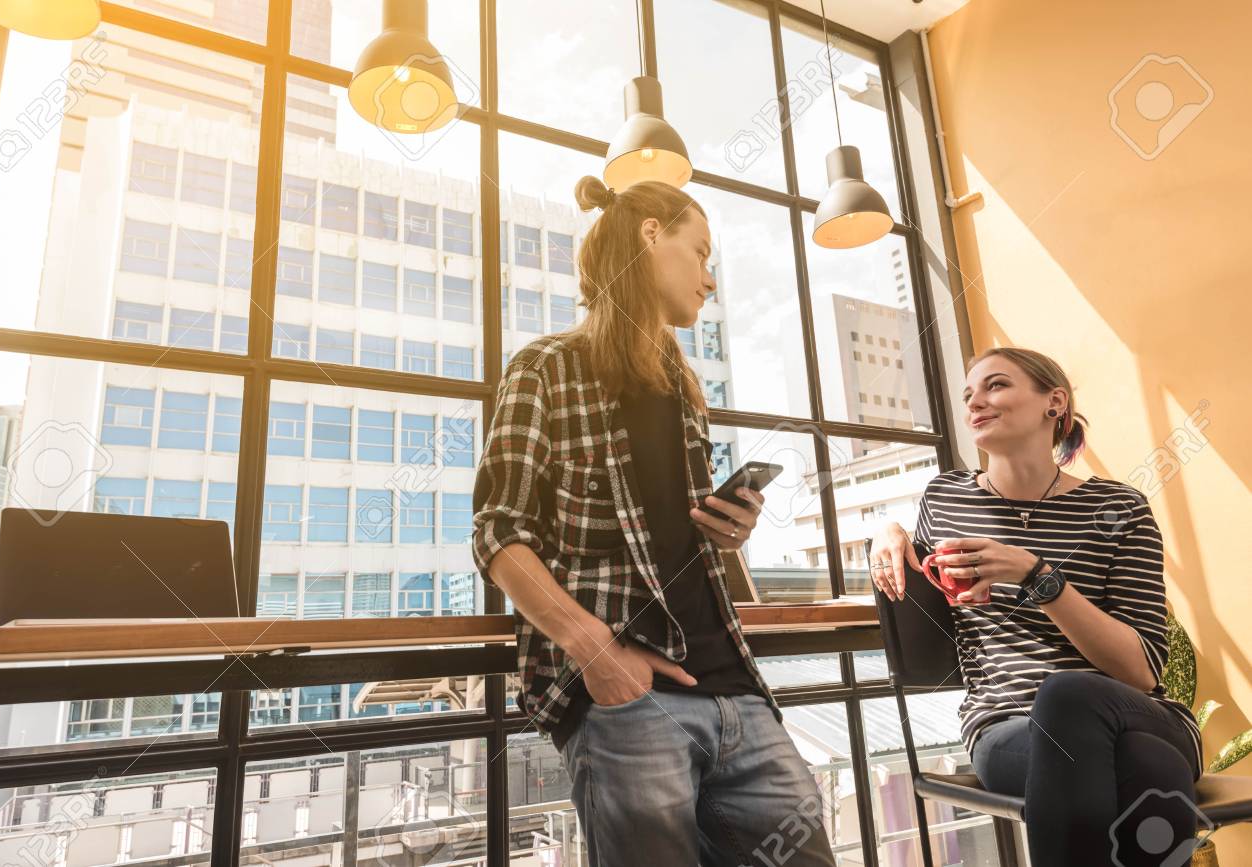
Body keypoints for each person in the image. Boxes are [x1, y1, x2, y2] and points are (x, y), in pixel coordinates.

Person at [471, 175, 837, 867]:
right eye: (700, 253)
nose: (710, 279)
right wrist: (596, 651)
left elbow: (672, 537)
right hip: (628, 697)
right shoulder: (544, 368)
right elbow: (498, 531)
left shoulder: (683, 388)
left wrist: (727, 531)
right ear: (650, 235)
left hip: (736, 686)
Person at [869, 347, 1204, 866]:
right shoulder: (947, 499)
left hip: (1134, 713)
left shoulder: (1119, 508)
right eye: (969, 393)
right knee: (1146, 765)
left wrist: (1037, 577)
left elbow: (1140, 672)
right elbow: (923, 572)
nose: (975, 401)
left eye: (996, 385)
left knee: (1070, 694)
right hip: (1009, 725)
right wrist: (886, 531)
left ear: (1055, 402)